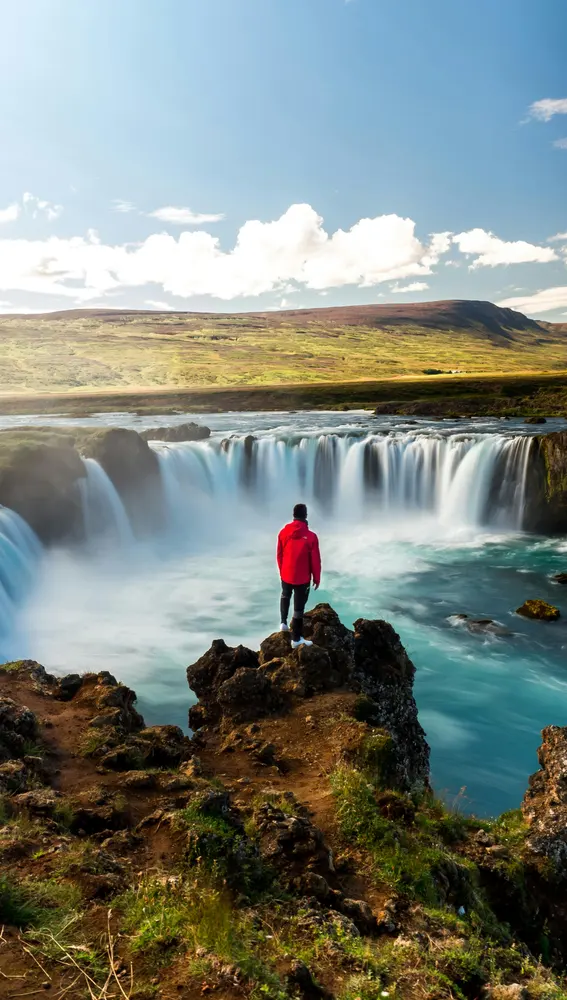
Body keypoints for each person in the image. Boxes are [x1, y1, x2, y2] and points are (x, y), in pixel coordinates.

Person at [277, 502, 321, 649]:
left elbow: (279, 554)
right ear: (306, 516)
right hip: (302, 578)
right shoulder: (311, 537)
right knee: (299, 607)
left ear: (293, 515)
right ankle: (296, 639)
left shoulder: (283, 533)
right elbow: (315, 560)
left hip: (286, 574)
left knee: (285, 595)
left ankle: (283, 623)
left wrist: (282, 571)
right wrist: (317, 577)